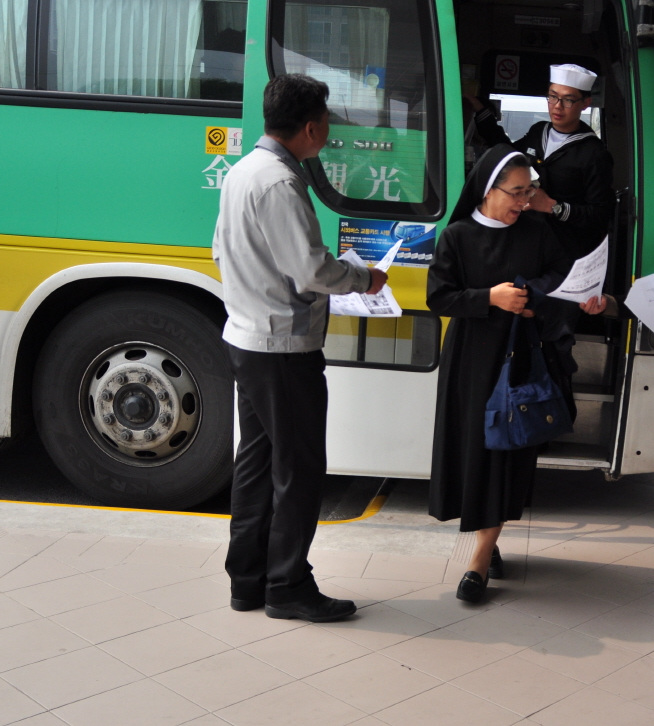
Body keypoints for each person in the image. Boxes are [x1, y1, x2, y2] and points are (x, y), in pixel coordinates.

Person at [212, 73, 387, 623]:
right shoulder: (281, 183)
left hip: (247, 334)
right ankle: (287, 585)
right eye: (328, 120)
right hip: (282, 347)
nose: (329, 130)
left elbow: (220, 251)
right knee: (300, 468)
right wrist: (364, 278)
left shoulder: (243, 171)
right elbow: (311, 270)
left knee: (259, 462)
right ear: (311, 126)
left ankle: (248, 579)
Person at [426, 145, 574, 603]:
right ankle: (487, 543)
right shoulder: (457, 236)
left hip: (522, 358)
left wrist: (534, 299)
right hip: (472, 362)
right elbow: (439, 297)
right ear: (489, 190)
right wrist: (489, 298)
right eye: (516, 193)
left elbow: (561, 273)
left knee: (507, 453)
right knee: (477, 452)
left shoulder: (536, 230)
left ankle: (479, 559)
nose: (524, 202)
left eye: (530, 192)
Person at [465, 63, 614, 260]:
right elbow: (506, 152)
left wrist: (553, 206)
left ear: (585, 103)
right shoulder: (538, 132)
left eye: (568, 100)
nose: (558, 106)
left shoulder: (593, 153)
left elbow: (600, 216)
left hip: (565, 251)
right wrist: (480, 111)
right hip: (525, 243)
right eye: (553, 97)